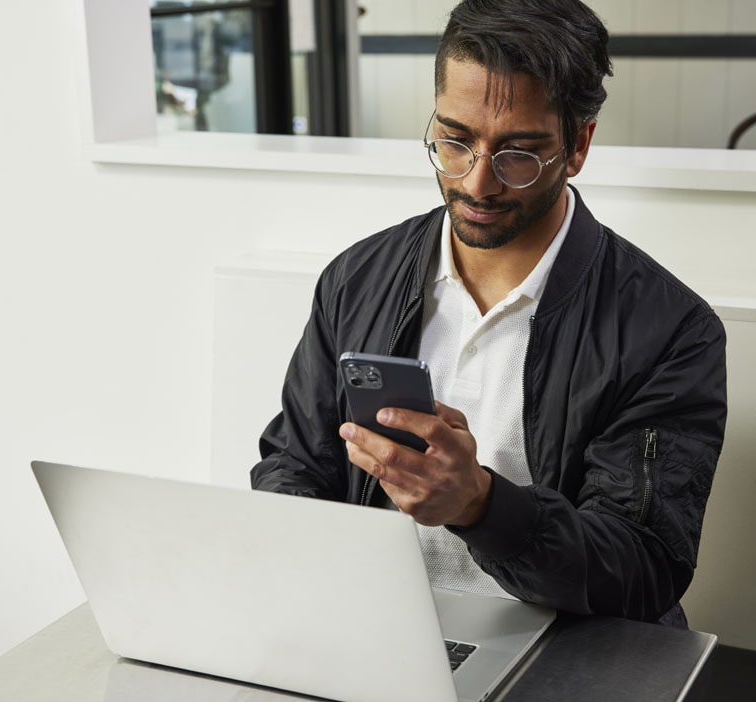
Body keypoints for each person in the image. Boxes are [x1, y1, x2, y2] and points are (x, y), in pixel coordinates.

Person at [251, 0, 727, 627]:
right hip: (384, 633)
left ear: (577, 145)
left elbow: (642, 572)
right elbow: (294, 466)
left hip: (570, 654)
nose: (477, 183)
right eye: (455, 141)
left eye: (518, 154)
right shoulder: (356, 278)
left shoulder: (668, 330)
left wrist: (479, 505)